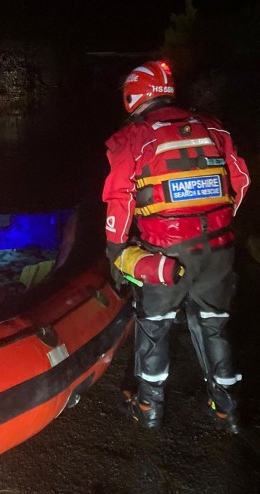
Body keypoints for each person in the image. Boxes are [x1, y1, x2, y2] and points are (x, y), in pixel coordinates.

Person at [103, 60, 250, 433]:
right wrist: (217, 219)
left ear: (133, 96)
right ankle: (226, 409)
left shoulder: (132, 138)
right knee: (214, 325)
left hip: (163, 252)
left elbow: (120, 200)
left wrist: (115, 251)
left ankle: (149, 407)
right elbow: (242, 180)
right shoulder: (213, 127)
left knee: (154, 324)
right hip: (217, 249)